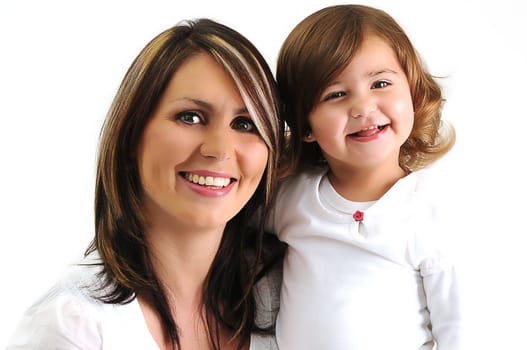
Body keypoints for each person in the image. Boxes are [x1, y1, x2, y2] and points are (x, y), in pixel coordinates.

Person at [7, 18, 285, 350]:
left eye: (245, 123)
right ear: (132, 135)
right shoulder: (73, 327)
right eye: (190, 117)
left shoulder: (285, 293)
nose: (219, 150)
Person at [269, 4, 463, 350]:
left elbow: (460, 329)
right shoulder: (290, 195)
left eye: (381, 83)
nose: (362, 107)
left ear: (414, 93)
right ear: (305, 125)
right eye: (336, 94)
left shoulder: (432, 211)